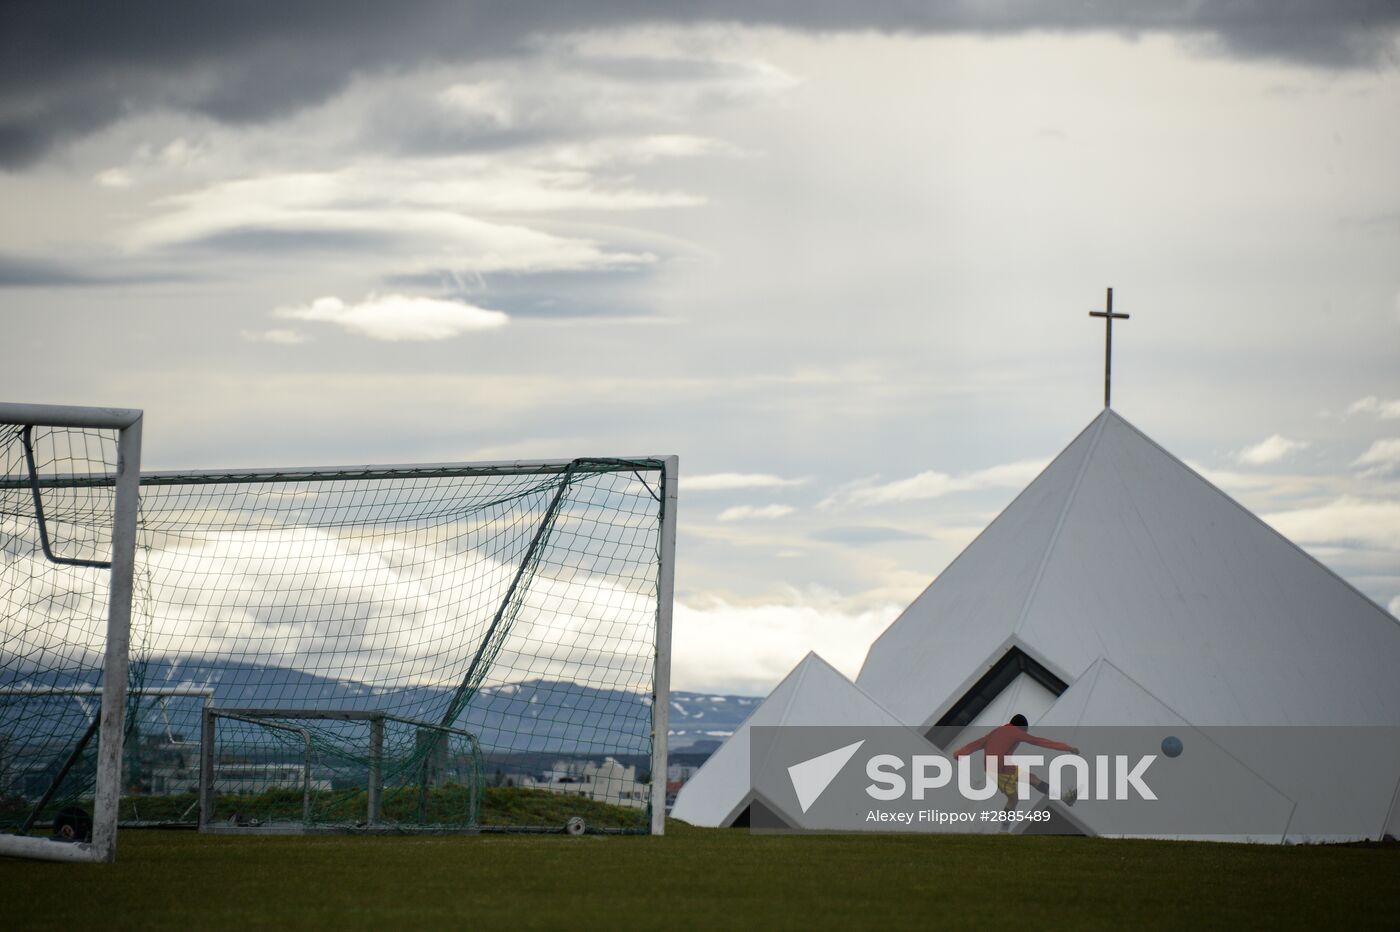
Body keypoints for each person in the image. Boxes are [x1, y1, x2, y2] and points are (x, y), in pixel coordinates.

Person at [953, 714, 1079, 828]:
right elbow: (1040, 741)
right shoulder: (1017, 732)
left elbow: (977, 743)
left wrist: (959, 754)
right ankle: (1003, 829)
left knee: (1032, 779)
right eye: (1025, 730)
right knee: (1013, 799)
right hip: (999, 769)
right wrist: (1068, 748)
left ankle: (1065, 798)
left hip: (1002, 766)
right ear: (1021, 727)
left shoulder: (997, 731)